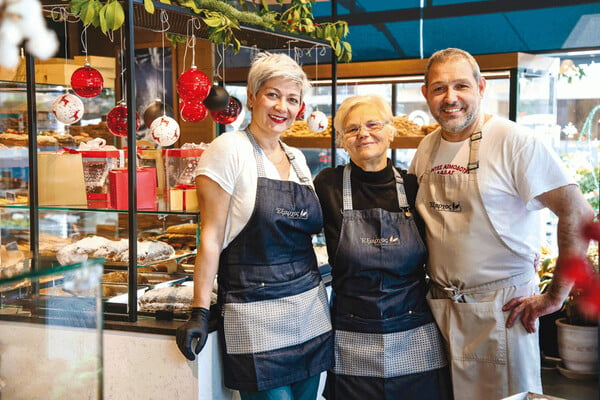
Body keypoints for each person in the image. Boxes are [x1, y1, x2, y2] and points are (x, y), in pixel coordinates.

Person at [409, 47, 595, 399]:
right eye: (439, 88)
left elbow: (578, 213)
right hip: (442, 310)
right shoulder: (427, 148)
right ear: (426, 95)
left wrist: (555, 296)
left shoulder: (513, 141)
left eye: (461, 86)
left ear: (481, 88)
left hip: (504, 312)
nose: (451, 98)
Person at [176, 52, 333, 400]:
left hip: (309, 308)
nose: (282, 107)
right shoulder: (228, 149)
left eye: (292, 99)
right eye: (273, 94)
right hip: (254, 312)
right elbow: (212, 237)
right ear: (252, 96)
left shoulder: (297, 159)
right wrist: (199, 311)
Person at [314, 94, 453, 400]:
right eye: (351, 129)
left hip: (414, 329)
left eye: (373, 124)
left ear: (391, 131)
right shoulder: (328, 185)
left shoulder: (414, 185)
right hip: (351, 332)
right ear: (342, 140)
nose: (363, 133)